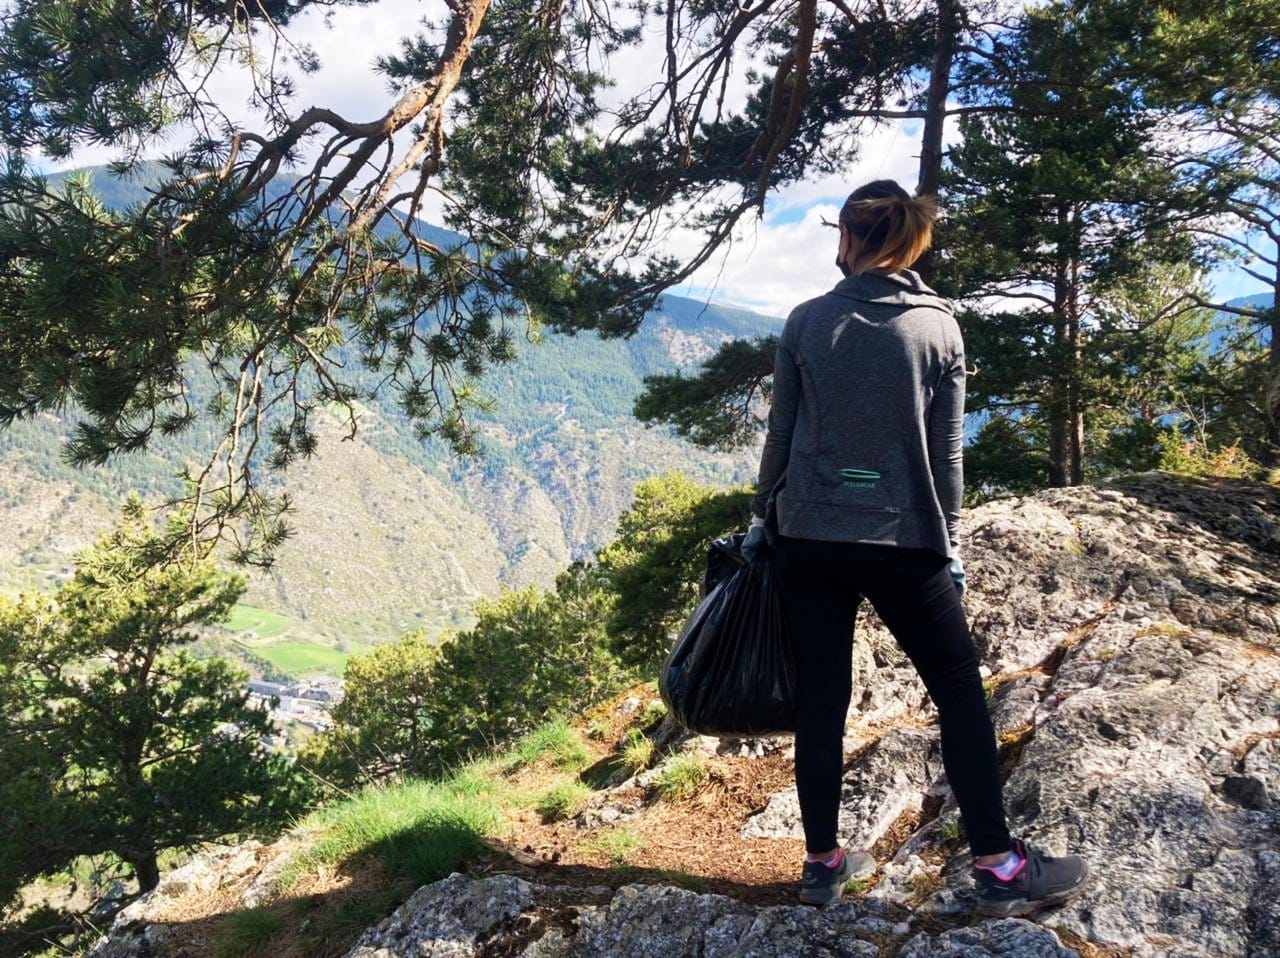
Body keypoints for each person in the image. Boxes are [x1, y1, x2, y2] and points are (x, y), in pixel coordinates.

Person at [740, 179, 1089, 914]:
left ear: (849, 237)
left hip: (809, 534)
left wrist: (762, 515)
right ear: (911, 240)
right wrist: (949, 542)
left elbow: (781, 434)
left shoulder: (806, 321)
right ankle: (998, 866)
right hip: (903, 537)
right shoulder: (938, 329)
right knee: (957, 687)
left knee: (821, 697)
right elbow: (946, 453)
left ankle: (821, 864)